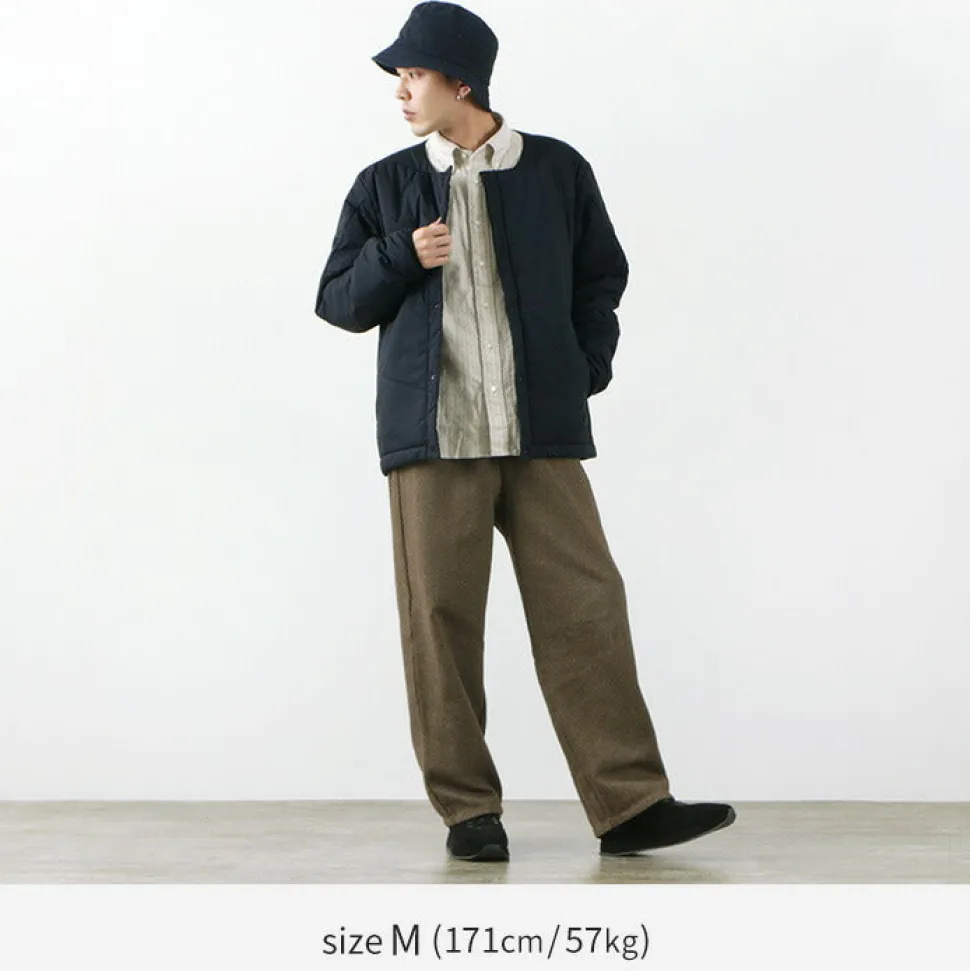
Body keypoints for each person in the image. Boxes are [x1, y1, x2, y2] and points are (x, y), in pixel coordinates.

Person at [314, 0, 736, 862]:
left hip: (539, 430)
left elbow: (601, 277)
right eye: (400, 76)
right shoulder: (383, 185)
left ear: (463, 82)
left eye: (415, 74)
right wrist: (401, 255)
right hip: (434, 437)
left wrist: (585, 368)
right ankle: (469, 811)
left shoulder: (556, 171)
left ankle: (630, 805)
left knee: (588, 606)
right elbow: (337, 300)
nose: (401, 90)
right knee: (439, 620)